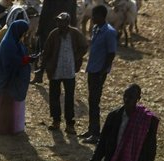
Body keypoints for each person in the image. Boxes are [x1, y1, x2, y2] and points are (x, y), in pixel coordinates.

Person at [39, 12, 87, 133]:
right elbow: (46, 51)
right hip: (55, 70)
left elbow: (84, 46)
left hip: (69, 71)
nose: (59, 23)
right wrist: (43, 67)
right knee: (54, 96)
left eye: (62, 21)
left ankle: (70, 124)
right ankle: (56, 121)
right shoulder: (54, 34)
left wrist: (76, 57)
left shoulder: (75, 34)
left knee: (69, 98)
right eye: (58, 21)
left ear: (67, 22)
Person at [0, 19, 33, 135]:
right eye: (23, 32)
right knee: (4, 107)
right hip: (6, 81)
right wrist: (26, 60)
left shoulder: (16, 42)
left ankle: (13, 127)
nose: (24, 35)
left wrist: (27, 59)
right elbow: (11, 62)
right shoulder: (8, 44)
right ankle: (2, 129)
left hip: (13, 80)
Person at [81, 4, 118, 143]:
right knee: (92, 100)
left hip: (99, 71)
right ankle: (92, 129)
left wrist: (103, 70)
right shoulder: (96, 29)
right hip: (92, 69)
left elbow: (111, 53)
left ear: (102, 16)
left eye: (94, 15)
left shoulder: (109, 32)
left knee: (95, 100)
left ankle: (95, 133)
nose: (92, 18)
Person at [32, 0, 76, 79]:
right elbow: (73, 13)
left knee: (42, 52)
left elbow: (44, 12)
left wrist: (40, 29)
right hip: (63, 28)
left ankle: (39, 75)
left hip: (49, 27)